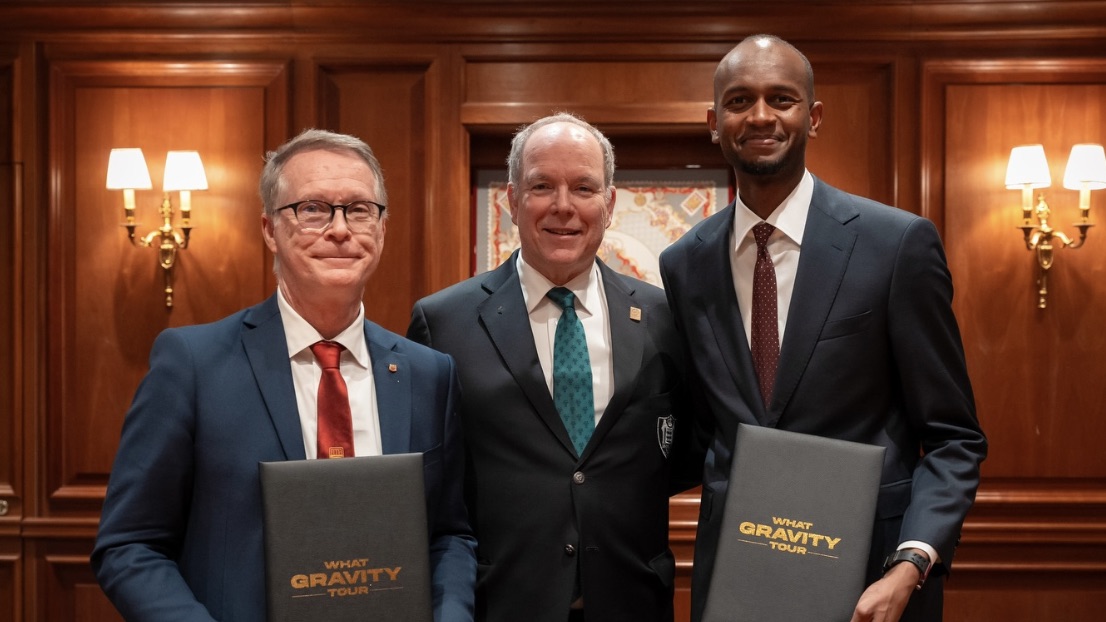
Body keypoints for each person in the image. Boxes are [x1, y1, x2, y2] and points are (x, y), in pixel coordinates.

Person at [658, 35, 987, 622]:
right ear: (714, 122)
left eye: (781, 99)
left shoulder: (896, 245)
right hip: (738, 583)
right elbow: (702, 428)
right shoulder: (684, 263)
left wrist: (910, 564)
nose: (760, 116)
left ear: (813, 117)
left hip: (875, 585)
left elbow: (952, 435)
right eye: (739, 102)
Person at [92, 129, 476, 622]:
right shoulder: (192, 364)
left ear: (381, 229)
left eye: (359, 209)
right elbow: (129, 545)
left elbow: (449, 535)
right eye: (313, 208)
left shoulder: (429, 373)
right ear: (270, 229)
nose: (340, 229)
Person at [407, 112, 700, 622]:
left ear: (608, 205)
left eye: (584, 187)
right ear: (513, 200)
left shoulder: (665, 317)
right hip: (501, 604)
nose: (563, 207)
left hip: (634, 604)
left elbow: (683, 452)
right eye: (542, 185)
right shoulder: (444, 323)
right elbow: (432, 484)